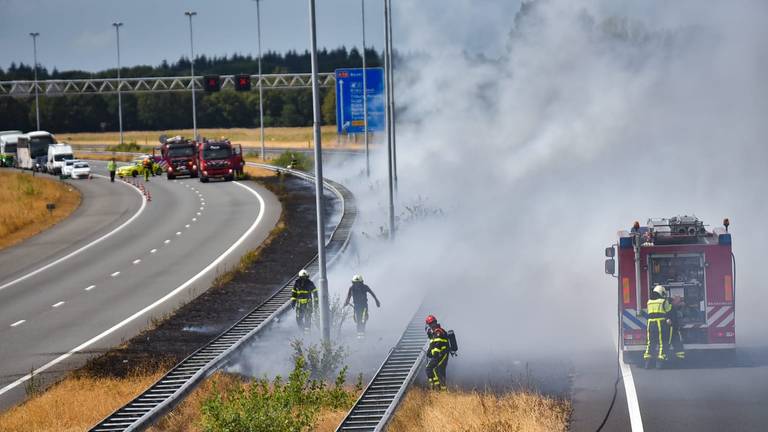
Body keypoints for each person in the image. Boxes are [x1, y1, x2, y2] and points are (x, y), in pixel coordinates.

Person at [644, 285, 672, 369]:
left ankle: (647, 361)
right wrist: (671, 302)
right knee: (661, 343)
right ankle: (659, 362)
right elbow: (668, 310)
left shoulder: (649, 302)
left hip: (650, 324)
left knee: (650, 342)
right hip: (660, 324)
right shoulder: (663, 301)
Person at [425, 315, 450, 390]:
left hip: (442, 354)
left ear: (435, 322)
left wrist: (435, 353)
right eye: (430, 324)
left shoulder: (438, 331)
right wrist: (429, 352)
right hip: (437, 355)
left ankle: (441, 390)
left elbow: (438, 343)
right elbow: (432, 344)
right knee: (430, 369)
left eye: (433, 323)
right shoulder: (433, 333)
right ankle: (436, 388)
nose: (432, 325)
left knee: (438, 370)